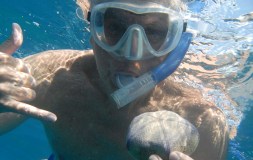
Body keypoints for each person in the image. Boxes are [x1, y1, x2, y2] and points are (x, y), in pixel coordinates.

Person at [0, 0, 229, 159]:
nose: (132, 55)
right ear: (93, 34)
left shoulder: (202, 120)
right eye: (115, 27)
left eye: (154, 32)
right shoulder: (56, 74)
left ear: (174, 46)